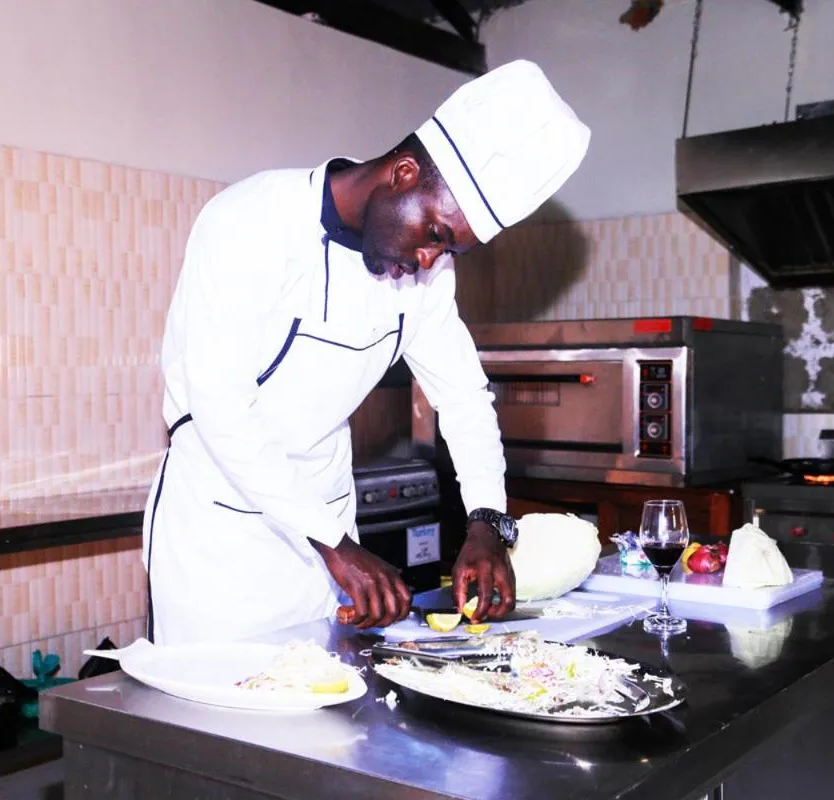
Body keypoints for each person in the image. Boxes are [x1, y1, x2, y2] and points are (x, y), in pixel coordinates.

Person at [142, 59, 590, 646]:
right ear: (404, 173)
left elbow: (463, 396)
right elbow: (221, 410)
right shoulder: (249, 221)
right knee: (213, 724)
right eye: (435, 233)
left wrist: (486, 521)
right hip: (220, 541)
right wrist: (336, 544)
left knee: (325, 717)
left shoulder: (427, 275)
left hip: (328, 534)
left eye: (449, 248)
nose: (431, 261)